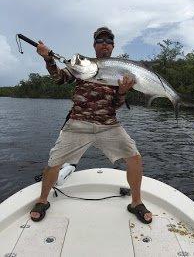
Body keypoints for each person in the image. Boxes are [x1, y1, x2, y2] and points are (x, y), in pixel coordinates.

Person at [30, 27, 152, 224]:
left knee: (135, 157)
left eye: (109, 41)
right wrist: (48, 58)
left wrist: (122, 91)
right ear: (94, 45)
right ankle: (43, 200)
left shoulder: (120, 69)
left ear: (113, 46)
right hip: (78, 123)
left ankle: (136, 202)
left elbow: (116, 105)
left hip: (109, 125)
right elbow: (59, 79)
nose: (104, 43)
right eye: (100, 40)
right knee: (54, 162)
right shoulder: (81, 64)